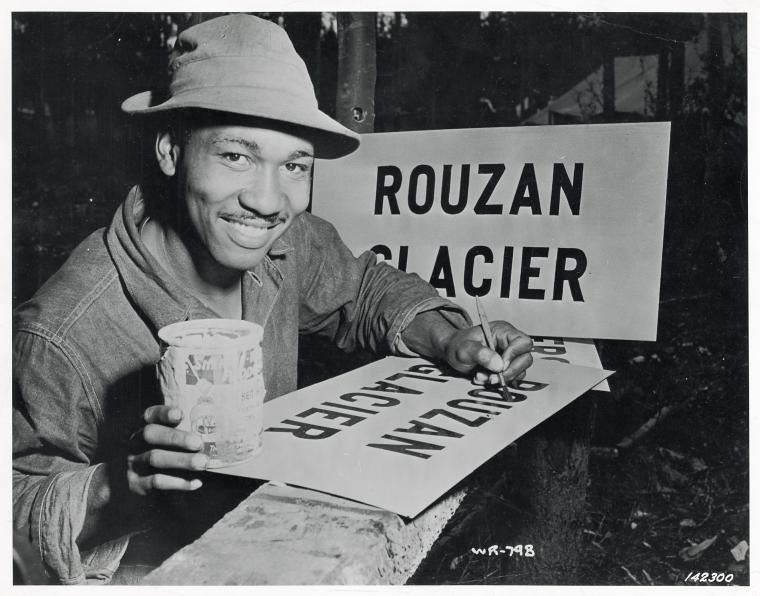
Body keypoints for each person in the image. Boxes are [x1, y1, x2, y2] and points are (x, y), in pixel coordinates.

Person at [12, 14, 533, 584]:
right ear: (170, 151)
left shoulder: (289, 245)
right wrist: (115, 488)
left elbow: (363, 288)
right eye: (236, 155)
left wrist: (449, 336)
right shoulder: (63, 331)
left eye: (294, 165)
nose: (267, 201)